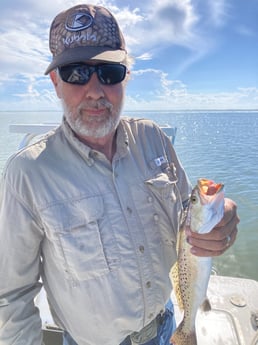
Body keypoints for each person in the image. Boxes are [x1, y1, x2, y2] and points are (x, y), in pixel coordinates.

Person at [0, 4, 239, 345]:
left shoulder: (153, 138)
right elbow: (12, 293)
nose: (95, 90)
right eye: (76, 73)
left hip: (167, 324)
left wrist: (220, 218)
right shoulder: (27, 174)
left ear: (126, 76)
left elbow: (188, 223)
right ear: (55, 82)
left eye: (109, 72)